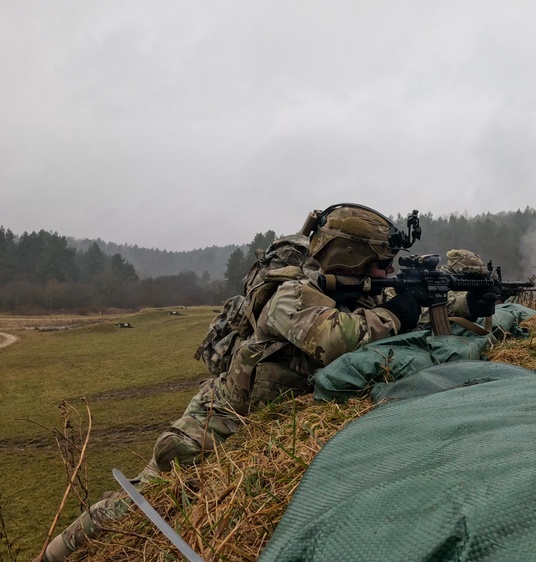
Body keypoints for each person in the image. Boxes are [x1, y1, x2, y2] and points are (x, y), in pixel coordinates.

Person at [38, 204, 499, 562]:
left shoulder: (359, 290)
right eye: (380, 264)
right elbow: (337, 339)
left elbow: (407, 312)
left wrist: (465, 304)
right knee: (144, 496)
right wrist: (399, 308)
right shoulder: (290, 294)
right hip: (220, 422)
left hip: (267, 416)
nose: (386, 275)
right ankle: (57, 551)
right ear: (353, 260)